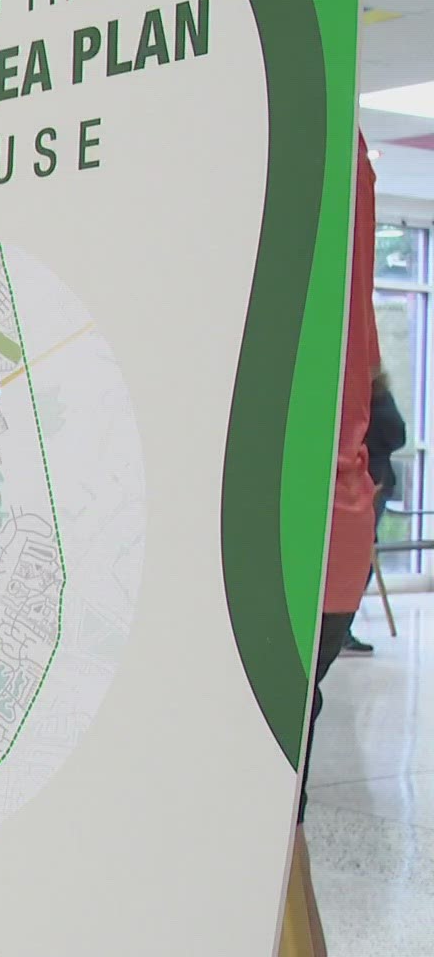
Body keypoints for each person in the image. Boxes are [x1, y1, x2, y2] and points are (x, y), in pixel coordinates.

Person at [282, 131, 381, 955]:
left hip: (303, 539)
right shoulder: (345, 152)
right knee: (276, 816)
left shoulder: (319, 145)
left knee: (262, 819)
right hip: (327, 544)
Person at [346, 367, 407, 656]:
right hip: (359, 481)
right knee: (354, 557)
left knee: (361, 556)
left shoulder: (376, 393)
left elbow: (398, 435)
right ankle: (340, 626)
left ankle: (343, 624)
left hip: (373, 481)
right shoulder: (359, 396)